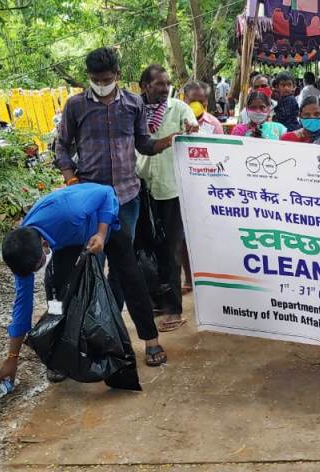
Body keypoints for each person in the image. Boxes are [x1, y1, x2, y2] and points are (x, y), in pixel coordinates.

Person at [0, 183, 165, 385]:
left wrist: (101, 233)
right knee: (56, 295)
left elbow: (107, 193)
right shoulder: (21, 250)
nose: (35, 272)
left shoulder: (68, 210)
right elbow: (22, 306)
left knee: (131, 278)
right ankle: (63, 353)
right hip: (71, 240)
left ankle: (151, 340)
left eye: (38, 265)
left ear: (44, 245)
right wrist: (12, 358)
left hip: (105, 224)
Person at [55, 49, 178, 325]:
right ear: (89, 77)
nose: (101, 84)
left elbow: (144, 145)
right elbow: (61, 145)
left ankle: (112, 321)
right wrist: (70, 179)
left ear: (118, 75)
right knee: (92, 262)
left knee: (123, 265)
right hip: (89, 199)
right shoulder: (75, 106)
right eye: (96, 80)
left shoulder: (133, 104)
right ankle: (93, 320)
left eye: (107, 79)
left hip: (126, 199)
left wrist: (171, 140)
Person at [135, 65, 198, 333]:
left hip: (171, 188)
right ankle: (156, 302)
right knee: (145, 247)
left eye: (167, 83)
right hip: (139, 187)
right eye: (159, 83)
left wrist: (191, 129)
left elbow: (192, 128)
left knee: (171, 248)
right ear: (144, 86)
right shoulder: (132, 110)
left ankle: (173, 309)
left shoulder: (179, 108)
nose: (165, 88)